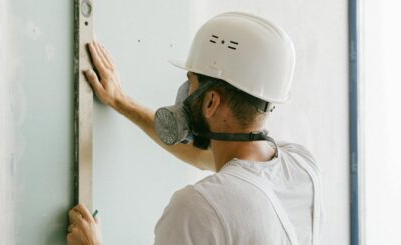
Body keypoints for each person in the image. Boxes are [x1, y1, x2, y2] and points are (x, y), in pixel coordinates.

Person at [67, 12, 323, 245]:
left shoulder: (197, 208)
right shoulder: (302, 166)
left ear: (211, 101)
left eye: (190, 82)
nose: (185, 93)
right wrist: (121, 101)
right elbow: (201, 156)